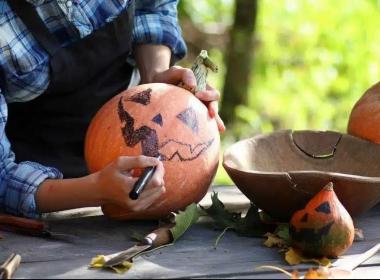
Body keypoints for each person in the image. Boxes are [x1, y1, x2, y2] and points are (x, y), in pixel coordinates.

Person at [0, 0, 224, 218]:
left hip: (118, 141)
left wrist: (156, 81)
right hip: (38, 187)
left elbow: (151, 6)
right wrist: (94, 190)